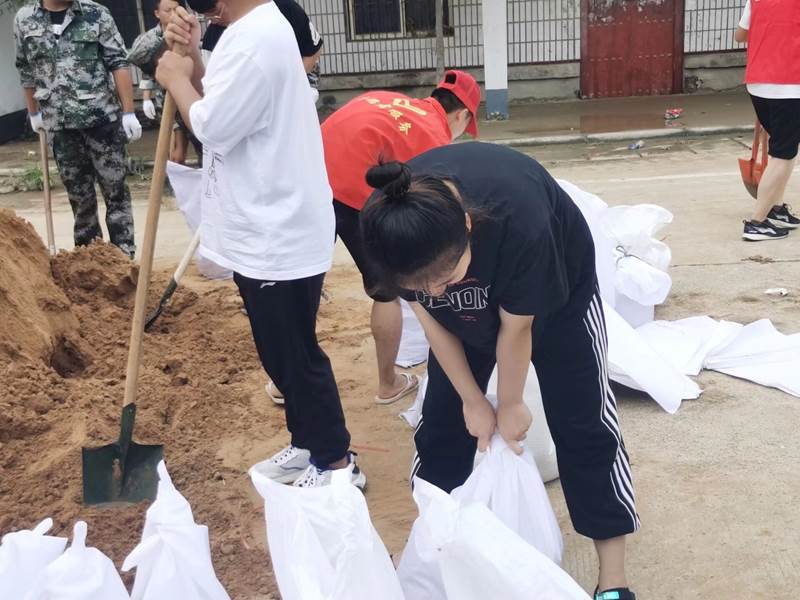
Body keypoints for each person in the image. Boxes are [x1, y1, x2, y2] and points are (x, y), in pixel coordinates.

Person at [360, 143, 639, 600]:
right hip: (461, 314)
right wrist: (472, 400)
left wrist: (510, 404)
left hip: (559, 301)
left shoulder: (521, 218)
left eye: (444, 278)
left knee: (583, 421)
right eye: (420, 285)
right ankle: (432, 548)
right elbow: (433, 322)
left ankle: (613, 578)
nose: (433, 291)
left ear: (468, 227)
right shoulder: (389, 230)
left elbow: (517, 328)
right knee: (441, 429)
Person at [155, 0, 364, 489]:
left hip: (278, 230)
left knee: (295, 356)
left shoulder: (256, 40)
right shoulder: (253, 29)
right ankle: (307, 441)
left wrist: (176, 79)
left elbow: (213, 127)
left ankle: (336, 464)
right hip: (265, 225)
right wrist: (193, 58)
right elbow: (221, 102)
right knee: (278, 352)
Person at [306, 71, 479, 406]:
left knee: (305, 278)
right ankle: (388, 383)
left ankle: (286, 380)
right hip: (347, 192)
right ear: (462, 115)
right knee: (387, 292)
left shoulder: (390, 99)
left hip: (309, 177)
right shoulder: (434, 137)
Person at [14, 0, 142, 257]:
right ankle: (87, 258)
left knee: (115, 191)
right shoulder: (25, 19)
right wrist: (33, 112)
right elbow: (26, 70)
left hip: (102, 122)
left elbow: (118, 63)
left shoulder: (96, 13)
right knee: (79, 197)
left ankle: (123, 257)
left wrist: (128, 112)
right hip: (60, 125)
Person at [735, 0, 800, 241]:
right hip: (790, 84)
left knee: (785, 149)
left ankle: (776, 207)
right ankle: (757, 222)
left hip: (758, 82)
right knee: (784, 153)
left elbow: (740, 36)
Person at [199, 0, 324, 100]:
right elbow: (212, 84)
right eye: (208, 16)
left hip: (297, 85)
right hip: (247, 97)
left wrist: (286, 83)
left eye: (216, 12)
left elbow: (313, 52)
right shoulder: (213, 34)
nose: (214, 19)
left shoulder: (285, 8)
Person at [128, 0, 203, 165]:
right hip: (169, 103)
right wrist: (146, 99)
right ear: (157, 13)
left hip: (193, 97)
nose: (173, 14)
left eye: (177, 9)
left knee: (203, 147)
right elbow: (139, 60)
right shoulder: (151, 38)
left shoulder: (190, 32)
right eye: (168, 10)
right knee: (175, 154)